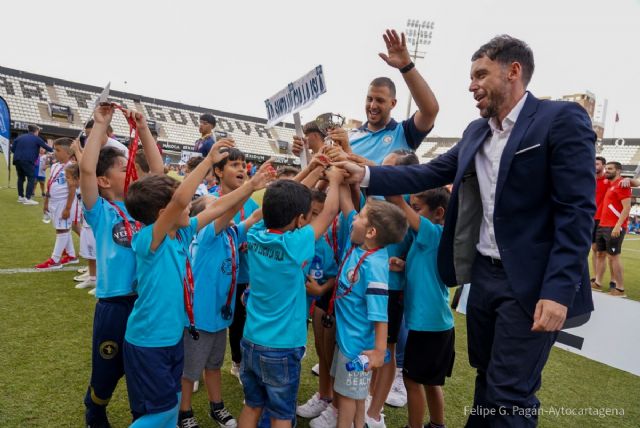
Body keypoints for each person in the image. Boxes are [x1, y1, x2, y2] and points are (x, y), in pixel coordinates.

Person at [337, 35, 596, 427]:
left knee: (511, 392)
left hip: (532, 282)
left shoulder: (559, 119)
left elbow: (576, 211)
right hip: (484, 278)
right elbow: (427, 172)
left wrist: (558, 291)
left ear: (514, 71)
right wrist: (369, 173)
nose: (471, 84)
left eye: (480, 74)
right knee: (487, 379)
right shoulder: (477, 130)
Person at [122, 136, 248, 426]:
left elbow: (216, 209)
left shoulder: (182, 234)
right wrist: (208, 161)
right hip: (148, 342)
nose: (190, 206)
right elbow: (181, 199)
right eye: (183, 203)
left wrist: (251, 186)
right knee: (163, 412)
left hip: (171, 339)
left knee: (173, 401)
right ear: (163, 214)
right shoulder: (149, 241)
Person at [79, 104, 165, 428]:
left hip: (144, 303)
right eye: (123, 167)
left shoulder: (141, 208)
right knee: (106, 369)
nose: (131, 171)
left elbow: (159, 176)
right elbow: (85, 171)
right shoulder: (101, 211)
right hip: (114, 304)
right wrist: (101, 125)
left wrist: (142, 130)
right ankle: (95, 408)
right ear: (103, 180)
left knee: (140, 366)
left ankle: (140, 416)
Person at [238, 171, 343, 428]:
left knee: (252, 406)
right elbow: (329, 214)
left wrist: (315, 172)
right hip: (282, 348)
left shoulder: (255, 234)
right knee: (281, 414)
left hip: (251, 341)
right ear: (299, 219)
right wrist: (337, 181)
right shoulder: (294, 244)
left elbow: (279, 203)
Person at [178, 167, 271, 428]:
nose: (222, 208)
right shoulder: (205, 236)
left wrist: (291, 184)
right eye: (215, 206)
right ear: (204, 217)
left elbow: (254, 215)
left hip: (219, 318)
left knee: (214, 365)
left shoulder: (230, 234)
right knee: (189, 372)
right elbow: (227, 210)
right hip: (199, 319)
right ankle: (184, 412)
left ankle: (216, 407)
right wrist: (251, 185)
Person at [292, 29, 439, 166]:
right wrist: (304, 155)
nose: (373, 105)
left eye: (380, 100)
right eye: (369, 99)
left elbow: (430, 110)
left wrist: (406, 67)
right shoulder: (349, 137)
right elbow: (330, 173)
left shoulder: (404, 132)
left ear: (393, 103)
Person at [332, 188, 407, 428]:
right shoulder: (359, 247)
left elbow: (380, 315)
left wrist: (378, 352)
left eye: (360, 216)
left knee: (346, 398)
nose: (353, 218)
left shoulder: (373, 267)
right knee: (354, 395)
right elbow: (346, 205)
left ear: (371, 232)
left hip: (357, 347)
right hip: (348, 339)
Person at [387, 188, 454, 428]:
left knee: (412, 380)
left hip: (428, 326)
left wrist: (392, 178)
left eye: (416, 209)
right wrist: (404, 265)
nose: (410, 213)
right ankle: (437, 425)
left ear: (438, 213)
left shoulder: (433, 232)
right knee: (431, 381)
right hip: (436, 324)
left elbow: (396, 201)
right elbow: (428, 272)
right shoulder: (429, 238)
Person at [210, 148, 260, 380]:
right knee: (210, 320)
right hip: (215, 276)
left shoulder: (250, 203)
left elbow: (257, 228)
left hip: (243, 274)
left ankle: (238, 363)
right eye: (234, 165)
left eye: (243, 164)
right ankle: (197, 367)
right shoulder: (209, 199)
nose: (241, 169)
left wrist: (248, 242)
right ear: (218, 171)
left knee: (240, 320)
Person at [296, 189, 339, 421]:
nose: (316, 221)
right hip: (286, 314)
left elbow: (333, 274)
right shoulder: (288, 237)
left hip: (303, 315)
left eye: (322, 216)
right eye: (313, 213)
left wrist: (320, 289)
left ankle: (327, 399)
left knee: (322, 354)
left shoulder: (322, 245)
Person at [35, 138, 78, 269]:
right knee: (62, 228)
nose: (55, 152)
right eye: (54, 149)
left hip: (64, 203)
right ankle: (71, 256)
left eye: (58, 150)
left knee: (62, 229)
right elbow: (50, 184)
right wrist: (46, 202)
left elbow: (72, 189)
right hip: (54, 202)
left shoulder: (72, 167)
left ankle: (55, 260)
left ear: (68, 152)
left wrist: (68, 208)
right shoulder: (55, 166)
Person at [594, 161, 631, 297]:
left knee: (613, 257)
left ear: (619, 171)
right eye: (607, 168)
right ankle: (597, 283)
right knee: (600, 254)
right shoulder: (610, 184)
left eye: (610, 169)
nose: (607, 171)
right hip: (603, 225)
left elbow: (627, 208)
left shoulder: (622, 184)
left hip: (613, 227)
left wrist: (618, 226)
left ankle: (620, 289)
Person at [11, 124, 52, 204]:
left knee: (21, 178)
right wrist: (53, 149)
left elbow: (12, 149)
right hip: (28, 160)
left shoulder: (19, 137)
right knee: (31, 178)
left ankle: (20, 197)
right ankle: (28, 198)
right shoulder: (37, 138)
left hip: (17, 160)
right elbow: (46, 147)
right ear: (36, 131)